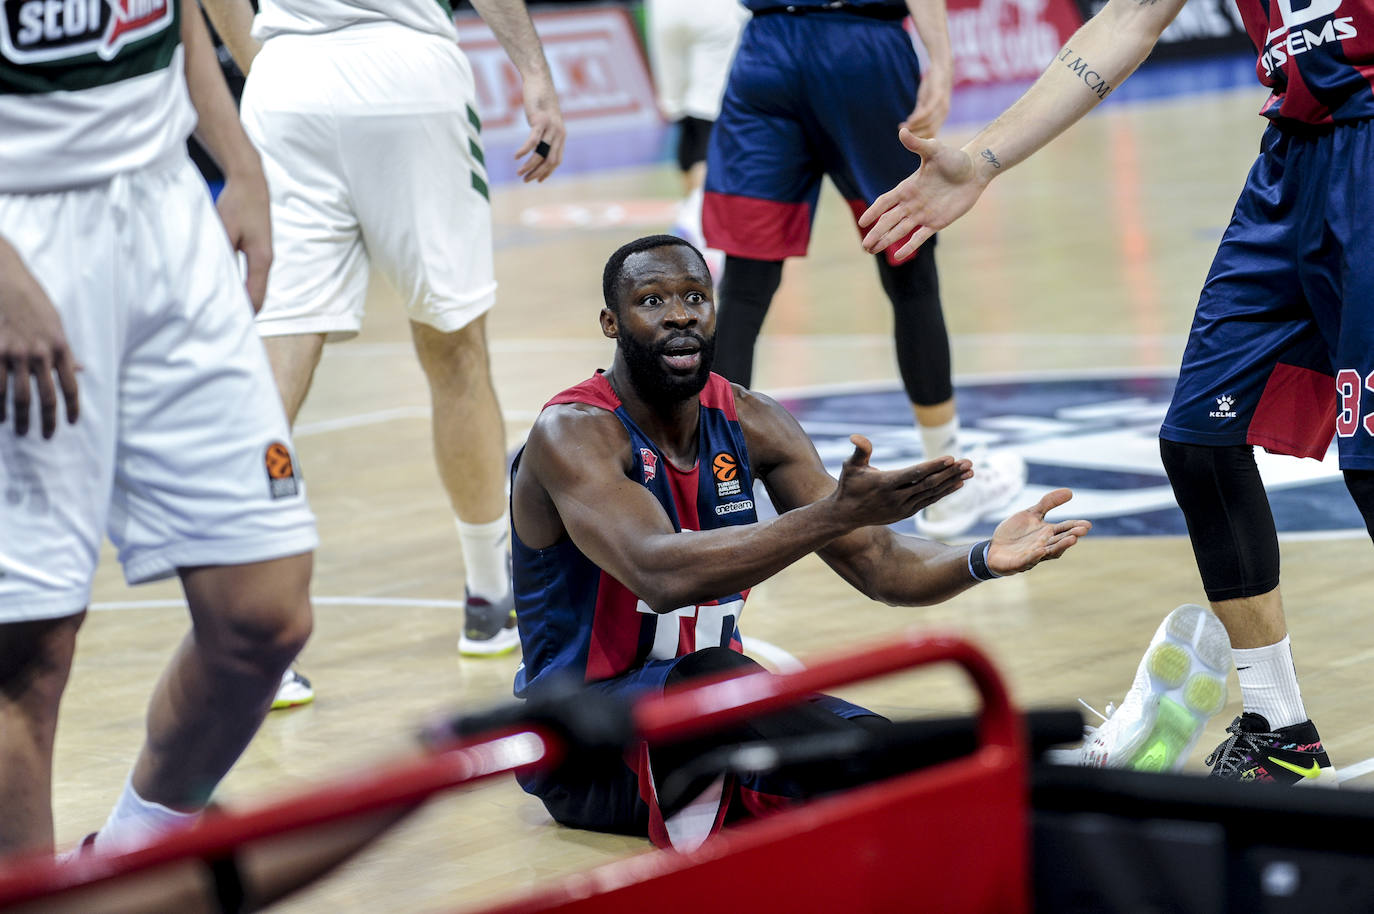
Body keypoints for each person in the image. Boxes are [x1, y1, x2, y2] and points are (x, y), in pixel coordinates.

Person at [857, 0, 1363, 785]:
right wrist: (981, 160)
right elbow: (1127, 18)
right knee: (1199, 441)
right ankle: (1280, 734)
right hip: (1291, 163)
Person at [508, 234, 1091, 848]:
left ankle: (1045, 787)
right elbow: (660, 573)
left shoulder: (753, 419)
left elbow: (881, 563)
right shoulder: (571, 433)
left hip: (720, 712)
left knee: (866, 742)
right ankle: (1003, 798)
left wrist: (981, 559)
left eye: (694, 298)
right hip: (589, 748)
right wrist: (833, 514)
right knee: (732, 688)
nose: (679, 314)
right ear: (611, 322)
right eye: (652, 300)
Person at [0, 2, 317, 857]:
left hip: (166, 209)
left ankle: (130, 855)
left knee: (265, 616)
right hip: (17, 226)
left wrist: (238, 160)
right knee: (23, 651)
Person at [200, 0, 566, 685]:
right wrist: (534, 72)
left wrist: (268, 65)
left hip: (286, 81)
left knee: (273, 364)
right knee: (455, 351)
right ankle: (490, 600)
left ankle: (254, 634)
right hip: (408, 77)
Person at [699, 0, 1026, 541]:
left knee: (745, 289)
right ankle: (946, 492)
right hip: (860, 51)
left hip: (766, 49)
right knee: (910, 271)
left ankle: (718, 493)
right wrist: (941, 63)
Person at [643, 0, 747, 267]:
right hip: (715, 10)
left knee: (683, 117)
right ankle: (698, 226)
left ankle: (694, 223)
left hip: (664, 10)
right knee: (707, 118)